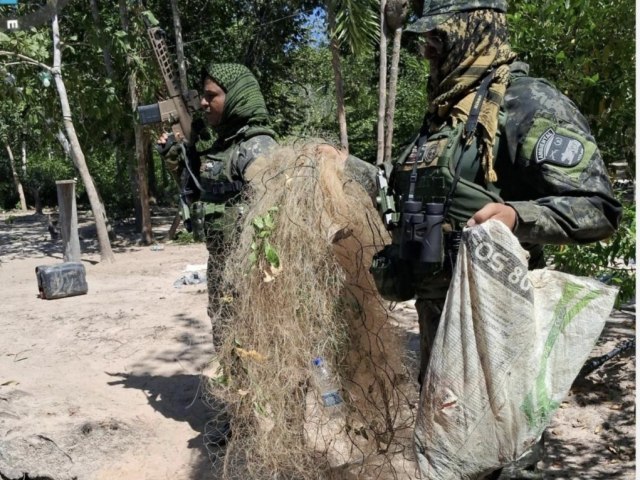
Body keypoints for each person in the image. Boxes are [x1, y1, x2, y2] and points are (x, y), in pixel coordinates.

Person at [379, 0, 621, 477]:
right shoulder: (446, 113)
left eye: (438, 37)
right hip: (439, 325)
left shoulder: (524, 102)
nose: (426, 49)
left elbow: (598, 206)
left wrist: (515, 215)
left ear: (473, 31)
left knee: (503, 456)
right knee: (449, 451)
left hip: (497, 331)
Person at [158, 63, 277, 344]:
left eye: (211, 96)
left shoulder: (256, 148)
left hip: (250, 274)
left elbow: (273, 219)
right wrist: (177, 158)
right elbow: (200, 195)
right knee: (228, 341)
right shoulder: (222, 149)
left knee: (255, 344)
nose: (203, 102)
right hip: (222, 267)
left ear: (235, 97)